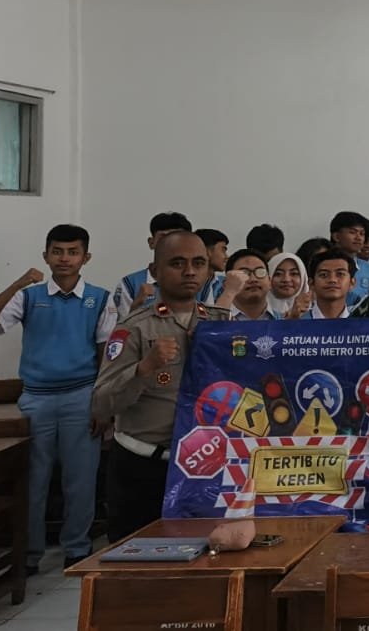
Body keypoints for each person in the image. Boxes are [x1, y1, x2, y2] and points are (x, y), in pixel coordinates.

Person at [0, 224, 115, 571]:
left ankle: (77, 548)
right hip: (35, 399)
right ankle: (30, 554)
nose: (64, 258)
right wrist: (18, 283)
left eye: (73, 252)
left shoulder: (100, 298)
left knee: (80, 480)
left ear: (86, 257)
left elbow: (105, 355)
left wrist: (102, 405)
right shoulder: (29, 296)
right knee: (32, 480)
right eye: (57, 251)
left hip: (81, 397)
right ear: (45, 256)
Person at [92, 231, 230, 541]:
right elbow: (101, 404)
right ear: (155, 271)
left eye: (198, 263)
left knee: (206, 556)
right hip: (143, 467)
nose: (190, 271)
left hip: (206, 466)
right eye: (177, 263)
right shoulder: (134, 328)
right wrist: (144, 368)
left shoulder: (222, 325)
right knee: (136, 558)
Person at [114, 211, 192, 316]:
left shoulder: (199, 281)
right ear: (151, 242)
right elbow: (121, 324)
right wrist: (137, 305)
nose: (171, 243)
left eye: (177, 238)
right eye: (163, 237)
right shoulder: (129, 284)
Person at [329, 211, 369, 306]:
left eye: (362, 234)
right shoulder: (322, 265)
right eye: (352, 232)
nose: (358, 238)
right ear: (336, 236)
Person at [216, 249, 277, 320]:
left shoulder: (283, 319)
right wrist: (229, 292)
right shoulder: (213, 319)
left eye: (260, 272)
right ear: (226, 284)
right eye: (244, 273)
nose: (253, 279)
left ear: (270, 281)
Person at [302, 250, 356, 319]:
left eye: (340, 274)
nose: (332, 280)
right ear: (311, 283)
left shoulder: (362, 323)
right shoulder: (298, 322)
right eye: (324, 275)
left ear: (352, 283)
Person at [266, 252, 308, 318]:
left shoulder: (313, 313)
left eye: (294, 273)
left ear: (303, 278)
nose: (286, 279)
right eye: (278, 274)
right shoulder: (258, 312)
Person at [194, 228, 229, 303]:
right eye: (223, 250)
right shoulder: (188, 282)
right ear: (207, 251)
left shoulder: (224, 283)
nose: (227, 256)